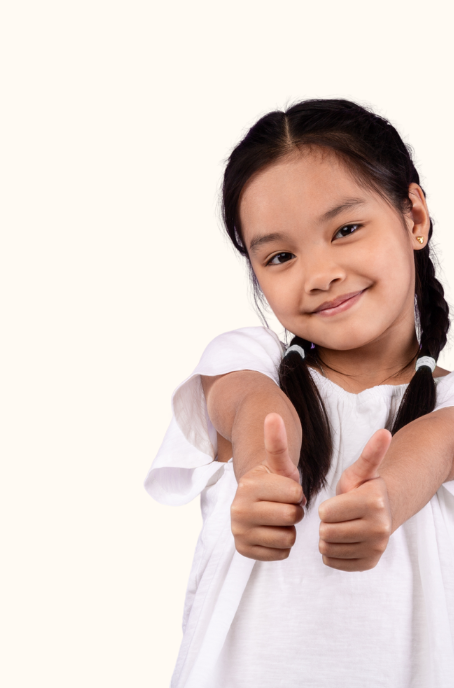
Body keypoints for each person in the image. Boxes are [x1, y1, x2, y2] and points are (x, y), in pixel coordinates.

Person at [144, 99, 454, 688]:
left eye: (346, 230)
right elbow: (252, 409)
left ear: (414, 216)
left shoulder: (447, 406)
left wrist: (386, 497)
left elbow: (438, 445)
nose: (320, 275)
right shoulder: (247, 360)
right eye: (281, 256)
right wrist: (260, 473)